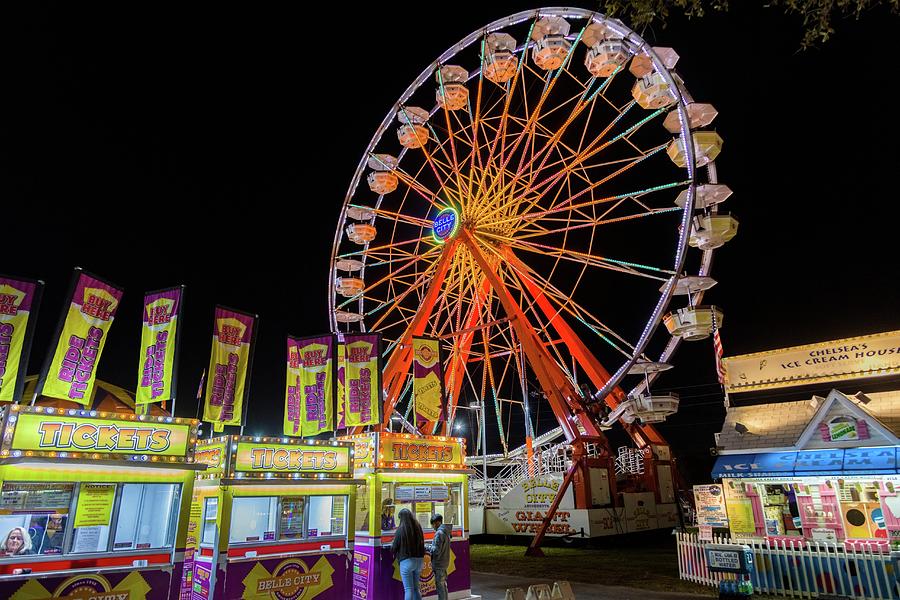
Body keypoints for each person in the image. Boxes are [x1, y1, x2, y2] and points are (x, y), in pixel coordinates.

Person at [391, 508, 425, 600]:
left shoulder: (401, 530)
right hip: (420, 561)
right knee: (416, 588)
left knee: (408, 589)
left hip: (407, 561)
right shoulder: (418, 527)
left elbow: (394, 548)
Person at [426, 514, 452, 600]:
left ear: (437, 522)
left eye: (433, 524)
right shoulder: (446, 532)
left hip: (439, 564)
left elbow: (436, 551)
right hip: (444, 563)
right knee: (443, 586)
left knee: (440, 587)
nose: (433, 526)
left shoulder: (439, 534)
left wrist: (426, 546)